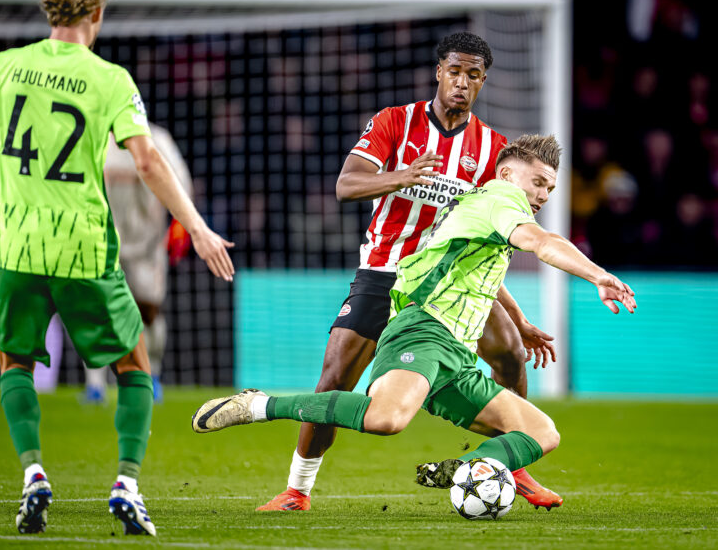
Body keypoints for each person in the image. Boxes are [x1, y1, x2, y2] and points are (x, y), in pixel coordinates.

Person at [0, 0, 234, 536]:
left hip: (13, 245)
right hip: (83, 249)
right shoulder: (110, 80)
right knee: (135, 365)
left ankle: (34, 474)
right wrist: (196, 226)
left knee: (14, 363)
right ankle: (126, 484)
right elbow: (146, 162)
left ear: (49, 12)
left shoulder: (3, 68)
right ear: (96, 14)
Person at [192, 134, 637, 515]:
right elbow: (543, 242)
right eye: (537, 182)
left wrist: (518, 320)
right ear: (506, 175)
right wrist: (598, 274)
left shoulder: (488, 213)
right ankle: (257, 405)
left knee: (543, 432)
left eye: (550, 188)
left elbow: (487, 277)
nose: (543, 194)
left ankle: (473, 468)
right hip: (421, 331)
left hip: (457, 356)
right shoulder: (502, 199)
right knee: (387, 419)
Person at [253, 32, 559, 513]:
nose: (462, 83)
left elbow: (487, 240)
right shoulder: (395, 122)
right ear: (439, 71)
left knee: (511, 353)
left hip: (449, 284)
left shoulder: (492, 151)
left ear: (482, 81)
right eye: (454, 71)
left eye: (473, 75)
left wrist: (517, 316)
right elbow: (345, 185)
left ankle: (511, 468)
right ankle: (297, 490)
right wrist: (401, 176)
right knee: (335, 379)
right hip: (385, 272)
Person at [84, 123, 194, 404]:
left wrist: (181, 224)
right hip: (102, 242)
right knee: (96, 310)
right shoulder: (92, 138)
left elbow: (182, 183)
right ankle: (95, 384)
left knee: (149, 312)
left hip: (147, 244)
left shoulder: (157, 139)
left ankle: (152, 374)